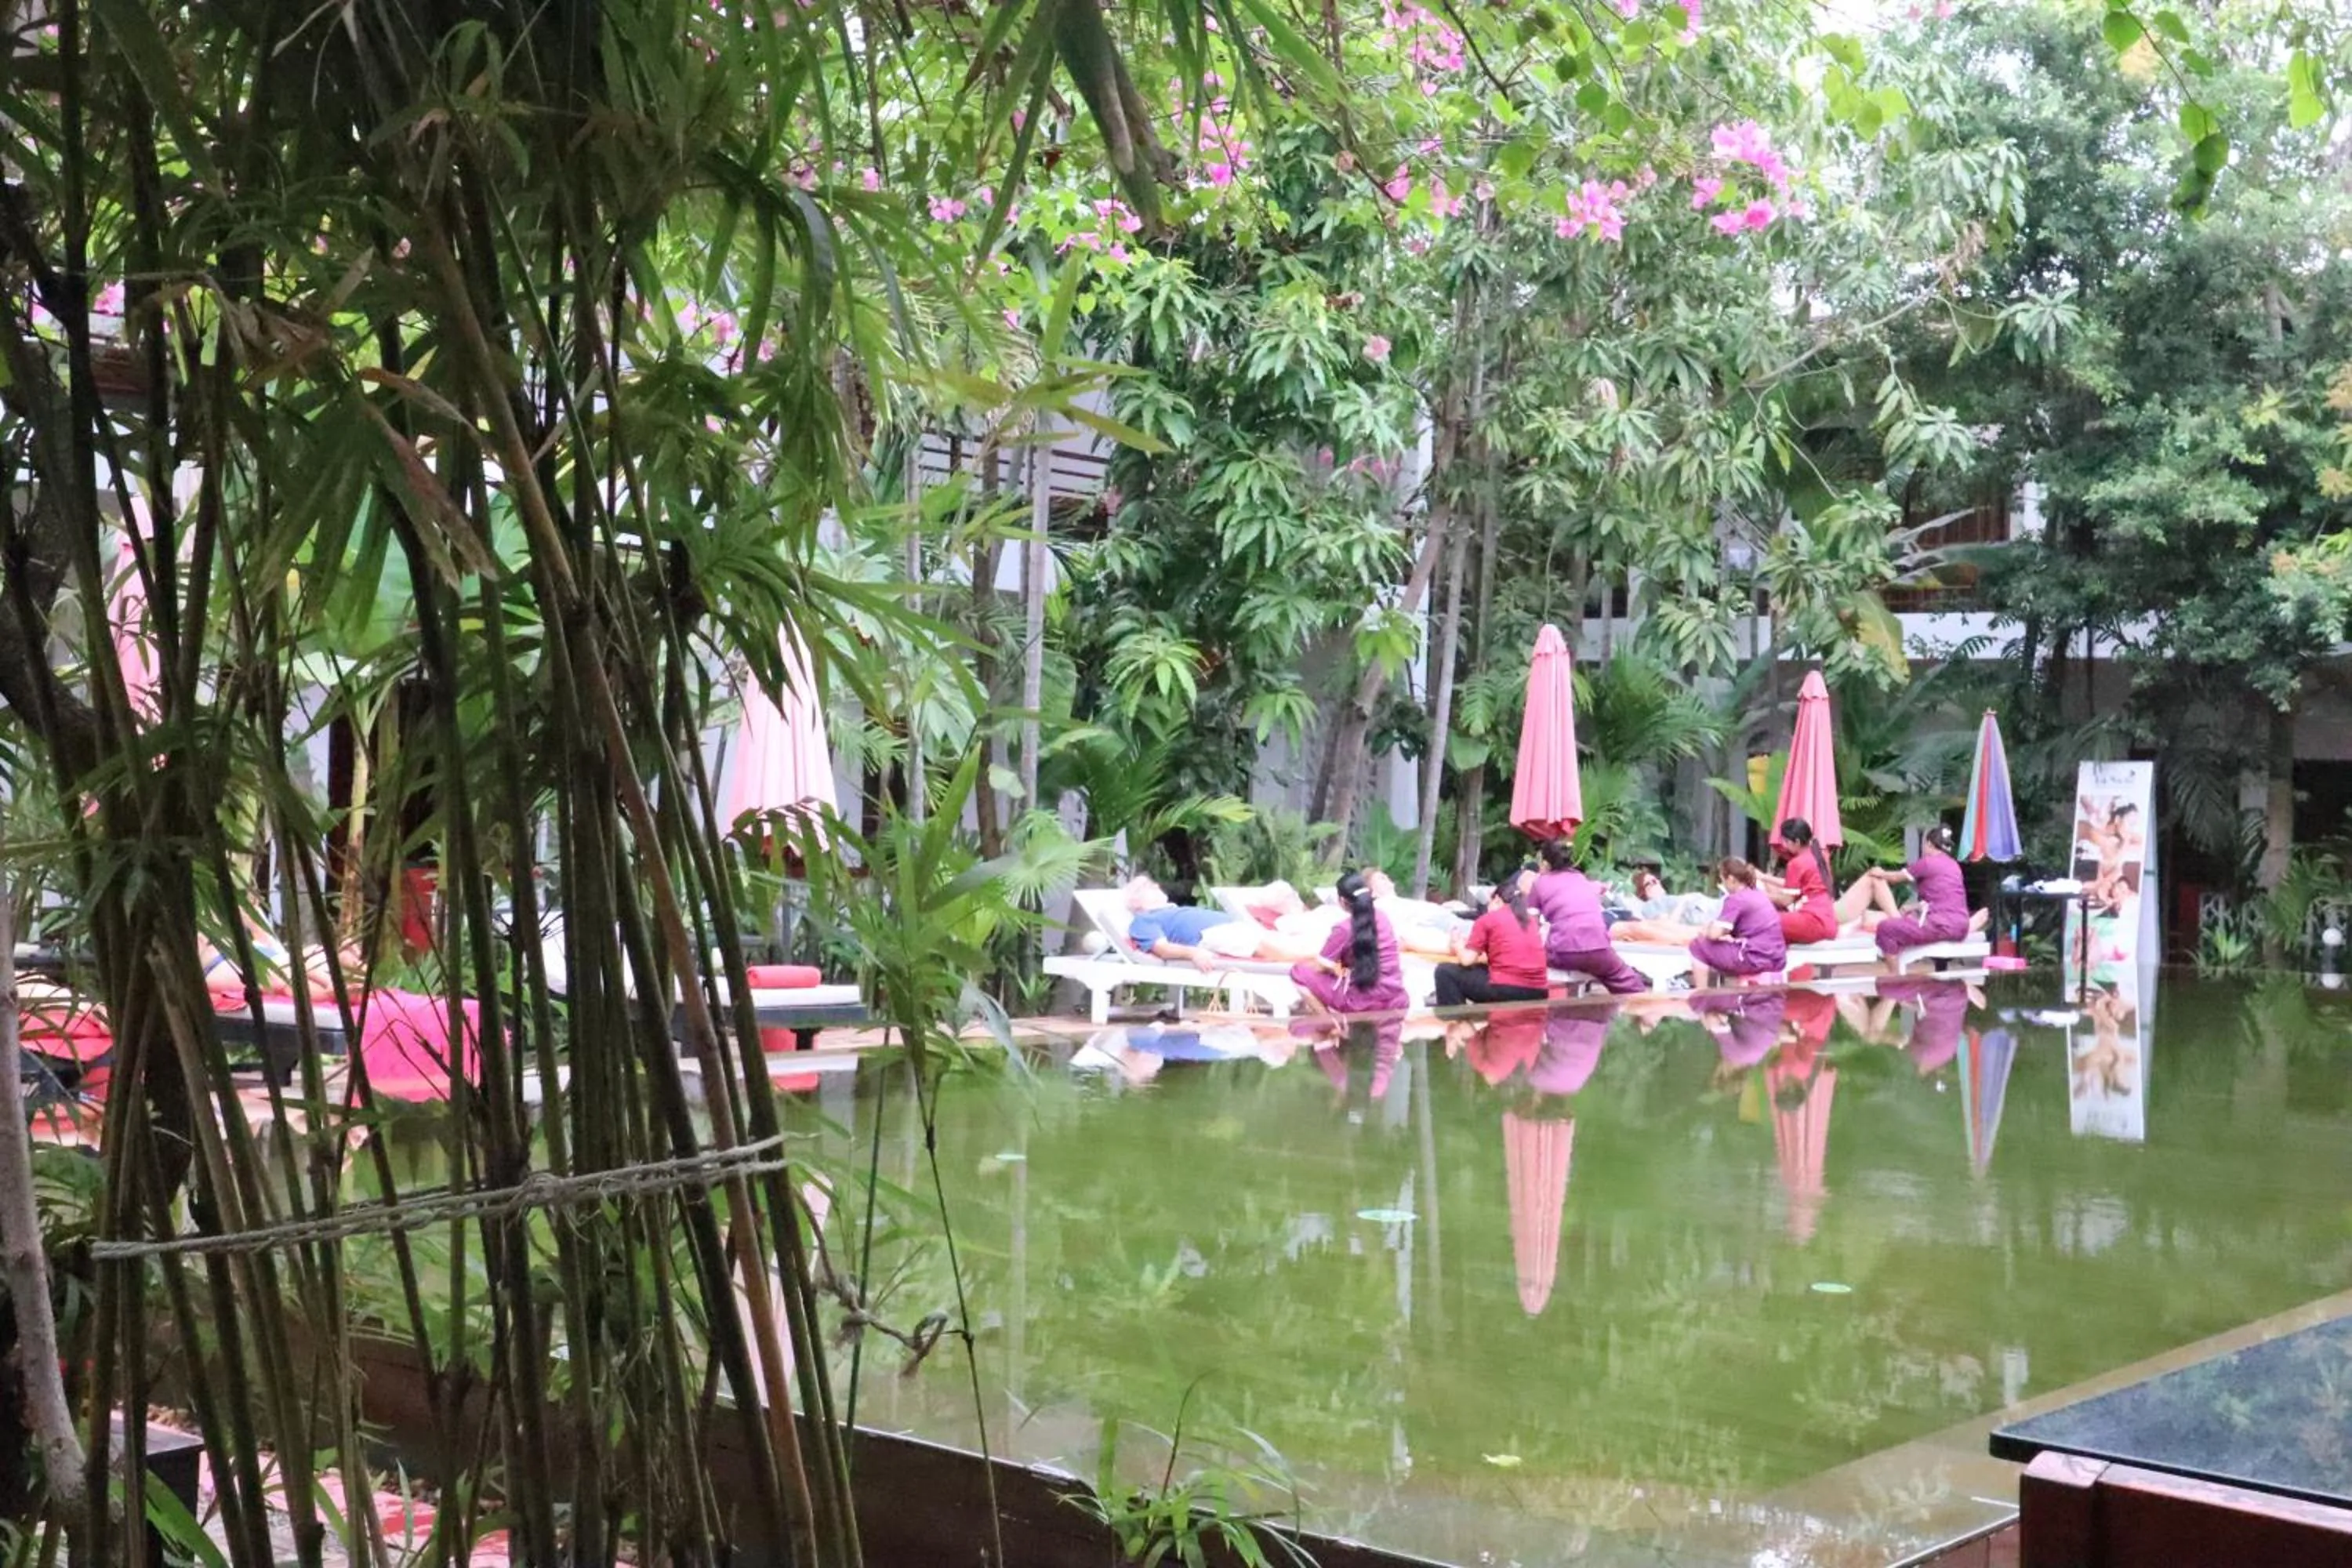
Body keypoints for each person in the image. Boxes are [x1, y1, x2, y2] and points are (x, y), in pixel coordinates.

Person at [1530, 840, 1647, 995]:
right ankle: (1646, 1012)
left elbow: (1530, 927)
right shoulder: (1581, 879)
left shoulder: (1539, 883)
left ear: (1545, 863)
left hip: (1564, 952)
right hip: (1599, 948)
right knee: (1630, 984)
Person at [1290, 870, 1409, 1015]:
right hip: (1396, 998)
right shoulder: (1383, 918)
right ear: (1370, 895)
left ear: (1342, 901)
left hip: (1360, 1003)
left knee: (1298, 972)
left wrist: (1328, 966)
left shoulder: (1343, 929)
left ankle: (1330, 1023)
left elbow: (1321, 967)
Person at [1433, 871, 1551, 1008]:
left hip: (1507, 989)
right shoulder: (1530, 921)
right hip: (1539, 991)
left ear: (1497, 900)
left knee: (1445, 972)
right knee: (1480, 971)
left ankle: (1457, 1023)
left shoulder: (1488, 920)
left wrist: (1457, 944)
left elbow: (1466, 960)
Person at [1867, 824, 1975, 960]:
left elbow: (1895, 878)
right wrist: (1912, 907)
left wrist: (1881, 873)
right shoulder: (1954, 866)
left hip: (1941, 926)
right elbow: (1940, 899)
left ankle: (1894, 977)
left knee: (1886, 929)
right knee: (1908, 923)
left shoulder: (1927, 863)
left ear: (1928, 844)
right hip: (1961, 927)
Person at [1120, 876, 1269, 970]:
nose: (1156, 886)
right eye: (1148, 887)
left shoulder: (1168, 911)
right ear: (1137, 901)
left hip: (1231, 928)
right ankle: (1295, 968)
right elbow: (1162, 949)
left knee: (1274, 942)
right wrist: (1194, 953)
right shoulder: (1143, 920)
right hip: (1211, 935)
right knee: (1265, 946)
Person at [1687, 858, 1788, 985]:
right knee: (1726, 947)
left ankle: (1701, 996)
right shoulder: (1759, 895)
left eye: (1722, 880)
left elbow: (1714, 934)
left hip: (1755, 958)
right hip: (1777, 957)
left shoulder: (1736, 899)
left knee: (1698, 946)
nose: (1722, 884)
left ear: (1731, 879)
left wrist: (1706, 930)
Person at [1765, 817, 1840, 947]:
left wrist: (1758, 895)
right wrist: (1764, 879)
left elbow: (1786, 900)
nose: (1784, 845)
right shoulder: (1821, 855)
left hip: (1813, 921)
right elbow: (1798, 886)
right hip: (1829, 921)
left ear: (1797, 842)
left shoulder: (1796, 863)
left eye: (1786, 841)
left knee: (1761, 920)